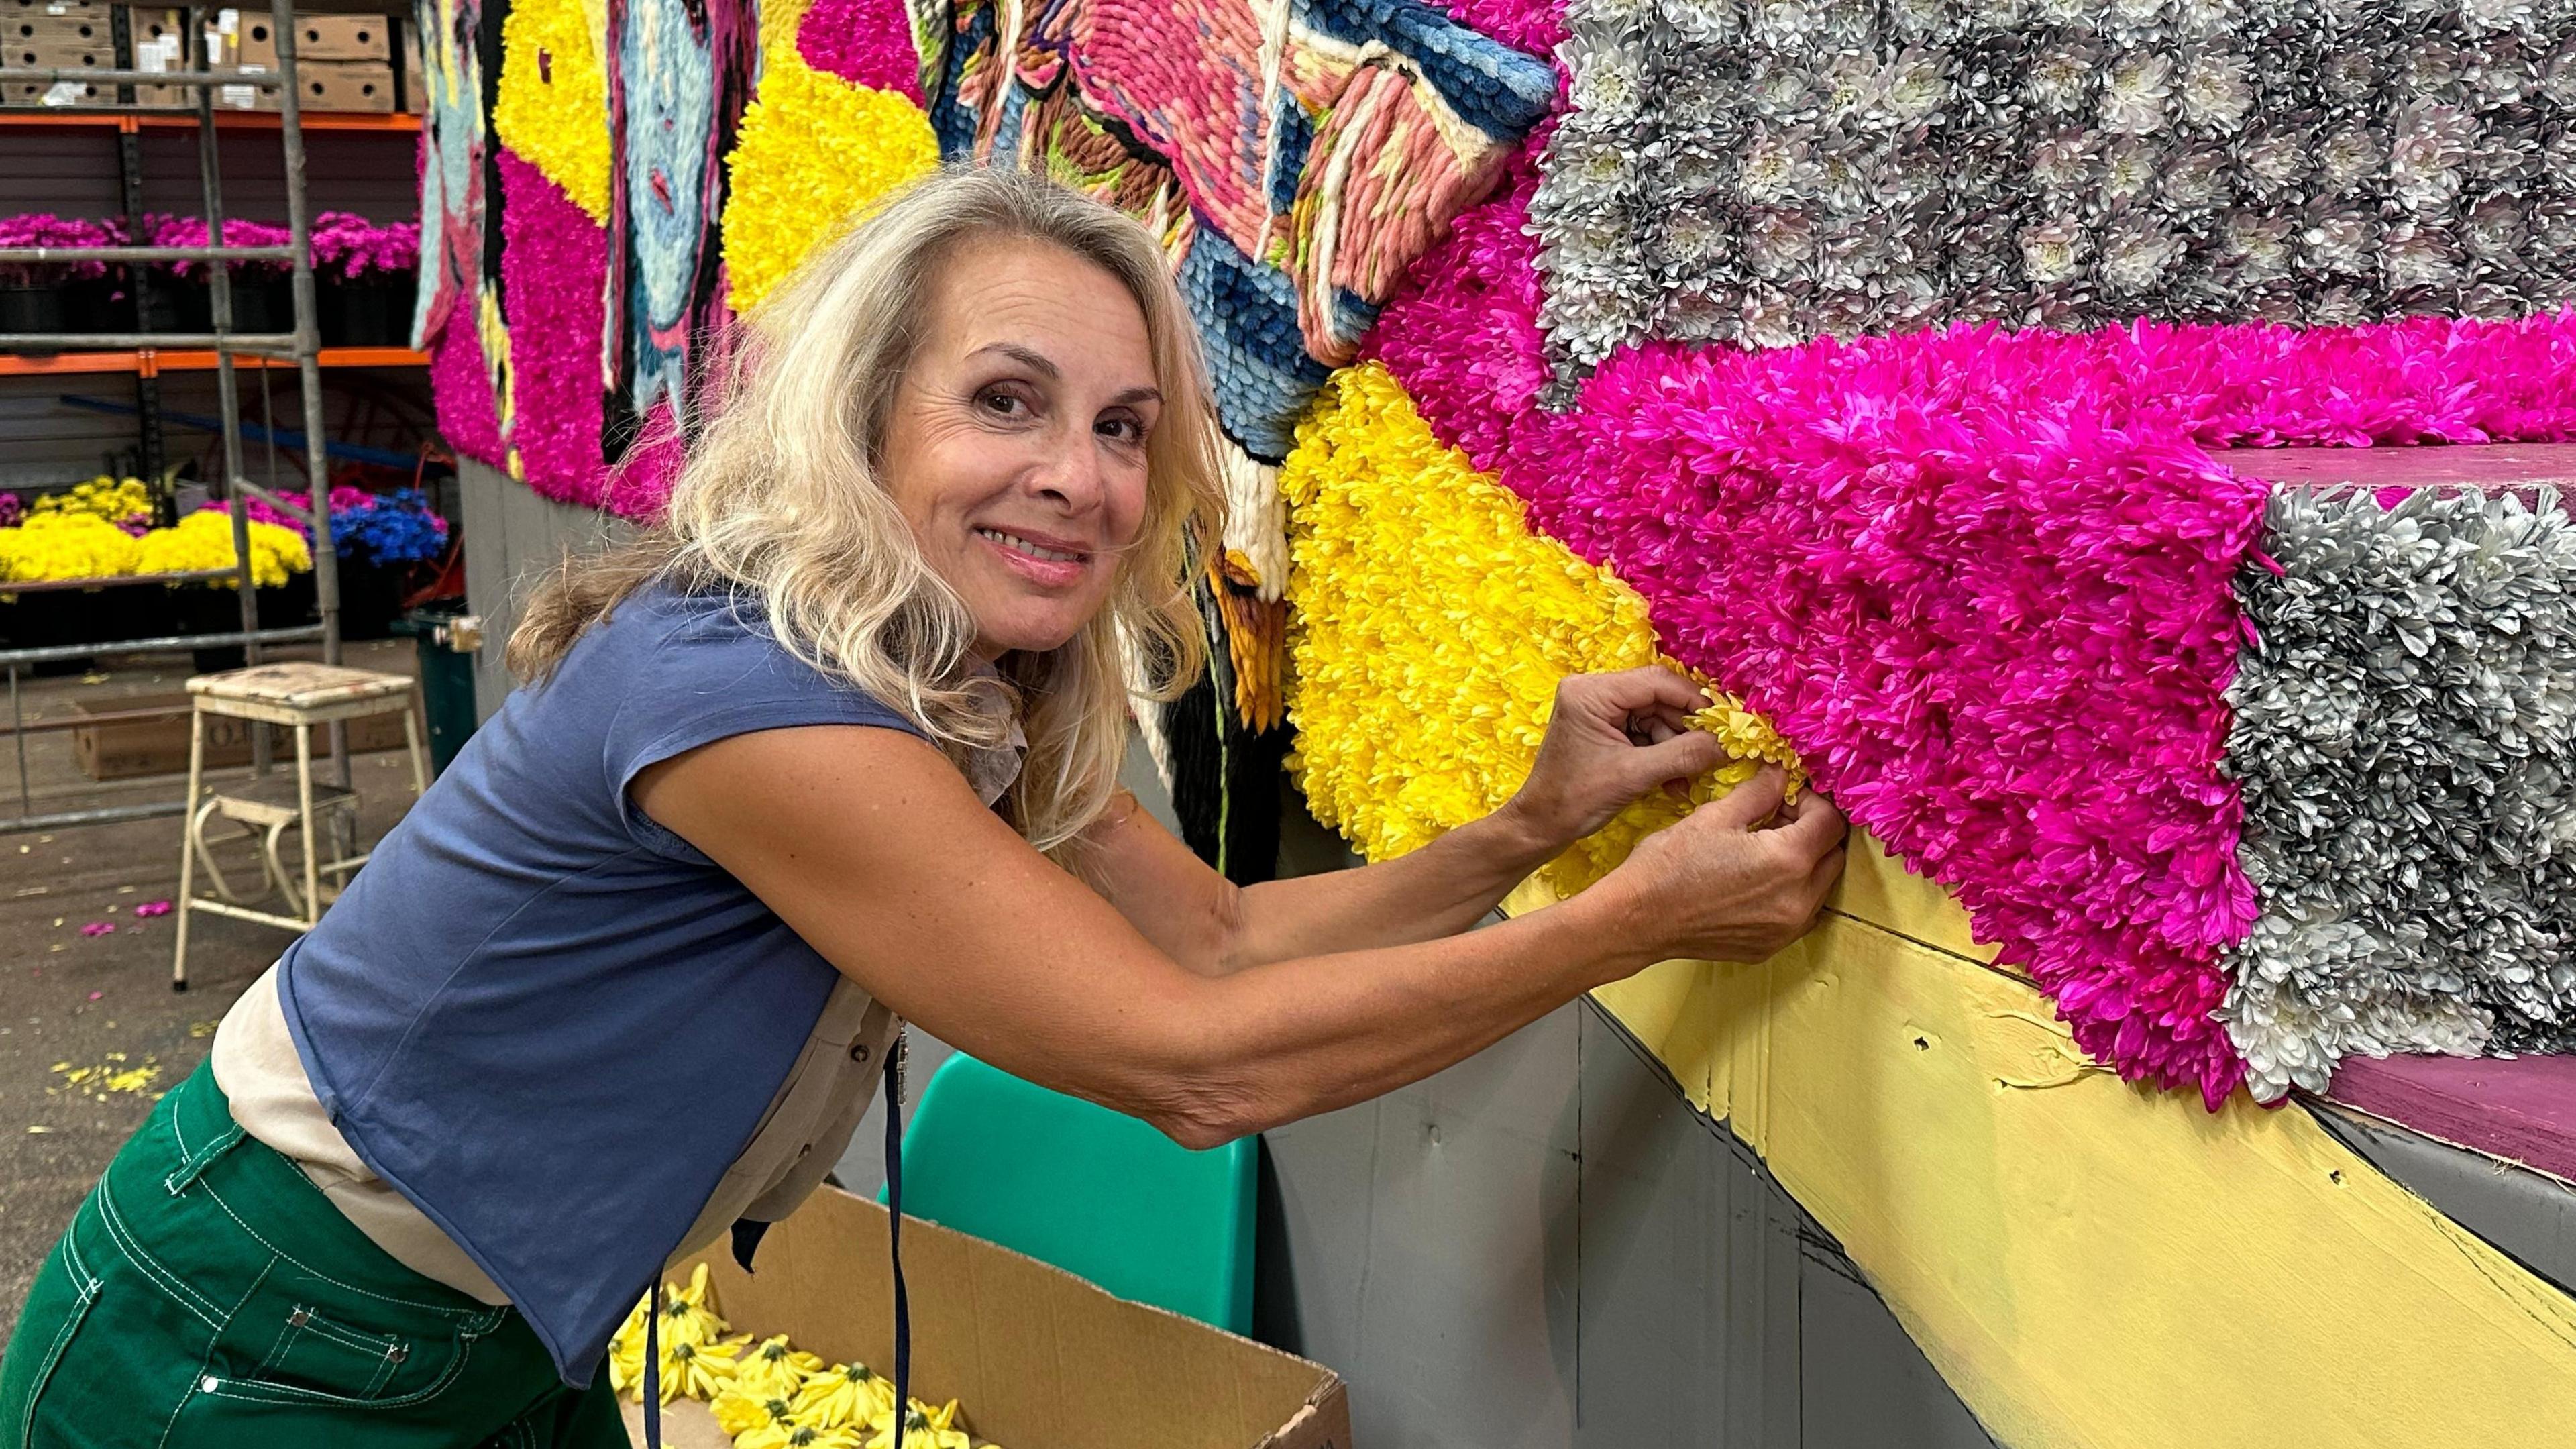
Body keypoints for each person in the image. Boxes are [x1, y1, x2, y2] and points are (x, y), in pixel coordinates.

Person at [0, 166, 1846, 1447]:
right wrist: (1637, 923)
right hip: (256, 1332)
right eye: (1008, 404)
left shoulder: (938, 683)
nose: (1078, 477)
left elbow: (1211, 934)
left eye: (1125, 429)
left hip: (459, 1340)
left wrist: (1528, 835)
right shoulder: (751, 698)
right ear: (866, 421)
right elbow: (1194, 1061)